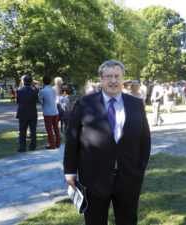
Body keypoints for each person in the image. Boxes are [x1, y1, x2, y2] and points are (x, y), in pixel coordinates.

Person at [64, 60, 151, 225]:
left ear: (123, 78)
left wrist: (140, 168)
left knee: (128, 221)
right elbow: (72, 139)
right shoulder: (84, 104)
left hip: (129, 178)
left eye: (117, 76)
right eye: (108, 76)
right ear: (101, 79)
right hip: (94, 179)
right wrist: (70, 171)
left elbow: (145, 140)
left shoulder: (136, 104)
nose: (113, 81)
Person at [15, 75, 38, 152]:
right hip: (32, 112)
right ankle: (32, 146)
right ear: (31, 82)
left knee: (22, 131)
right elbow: (36, 100)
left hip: (22, 112)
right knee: (33, 131)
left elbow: (18, 101)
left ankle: (22, 147)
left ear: (23, 82)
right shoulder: (35, 91)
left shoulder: (19, 91)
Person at [39, 76, 61, 149]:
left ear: (43, 82)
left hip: (47, 111)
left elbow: (40, 99)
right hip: (55, 110)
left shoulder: (42, 91)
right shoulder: (53, 89)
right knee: (56, 128)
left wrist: (43, 105)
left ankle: (52, 144)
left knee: (49, 129)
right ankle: (58, 143)